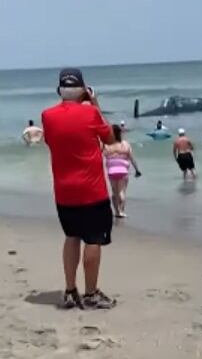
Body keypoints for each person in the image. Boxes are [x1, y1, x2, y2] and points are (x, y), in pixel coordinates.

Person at [41, 68, 117, 309]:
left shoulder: (47, 115)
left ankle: (70, 290)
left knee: (71, 237)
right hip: (92, 190)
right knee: (93, 240)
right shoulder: (91, 113)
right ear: (84, 90)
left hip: (64, 191)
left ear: (59, 91)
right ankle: (91, 293)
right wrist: (94, 103)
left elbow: (51, 139)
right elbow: (110, 139)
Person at [103, 124, 141, 218]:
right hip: (123, 171)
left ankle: (116, 211)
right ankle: (122, 211)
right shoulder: (125, 144)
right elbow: (131, 158)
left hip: (111, 171)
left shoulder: (107, 145)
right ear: (120, 133)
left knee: (114, 192)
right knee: (122, 192)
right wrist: (137, 170)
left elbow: (102, 157)